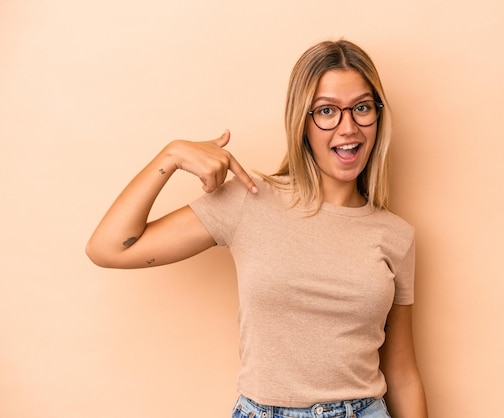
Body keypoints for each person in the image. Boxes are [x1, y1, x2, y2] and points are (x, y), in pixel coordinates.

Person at [86, 39, 427, 418]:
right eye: (327, 111)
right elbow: (109, 247)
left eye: (362, 108)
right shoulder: (250, 199)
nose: (348, 128)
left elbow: (401, 374)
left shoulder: (397, 236)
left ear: (378, 116)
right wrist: (171, 155)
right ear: (302, 121)